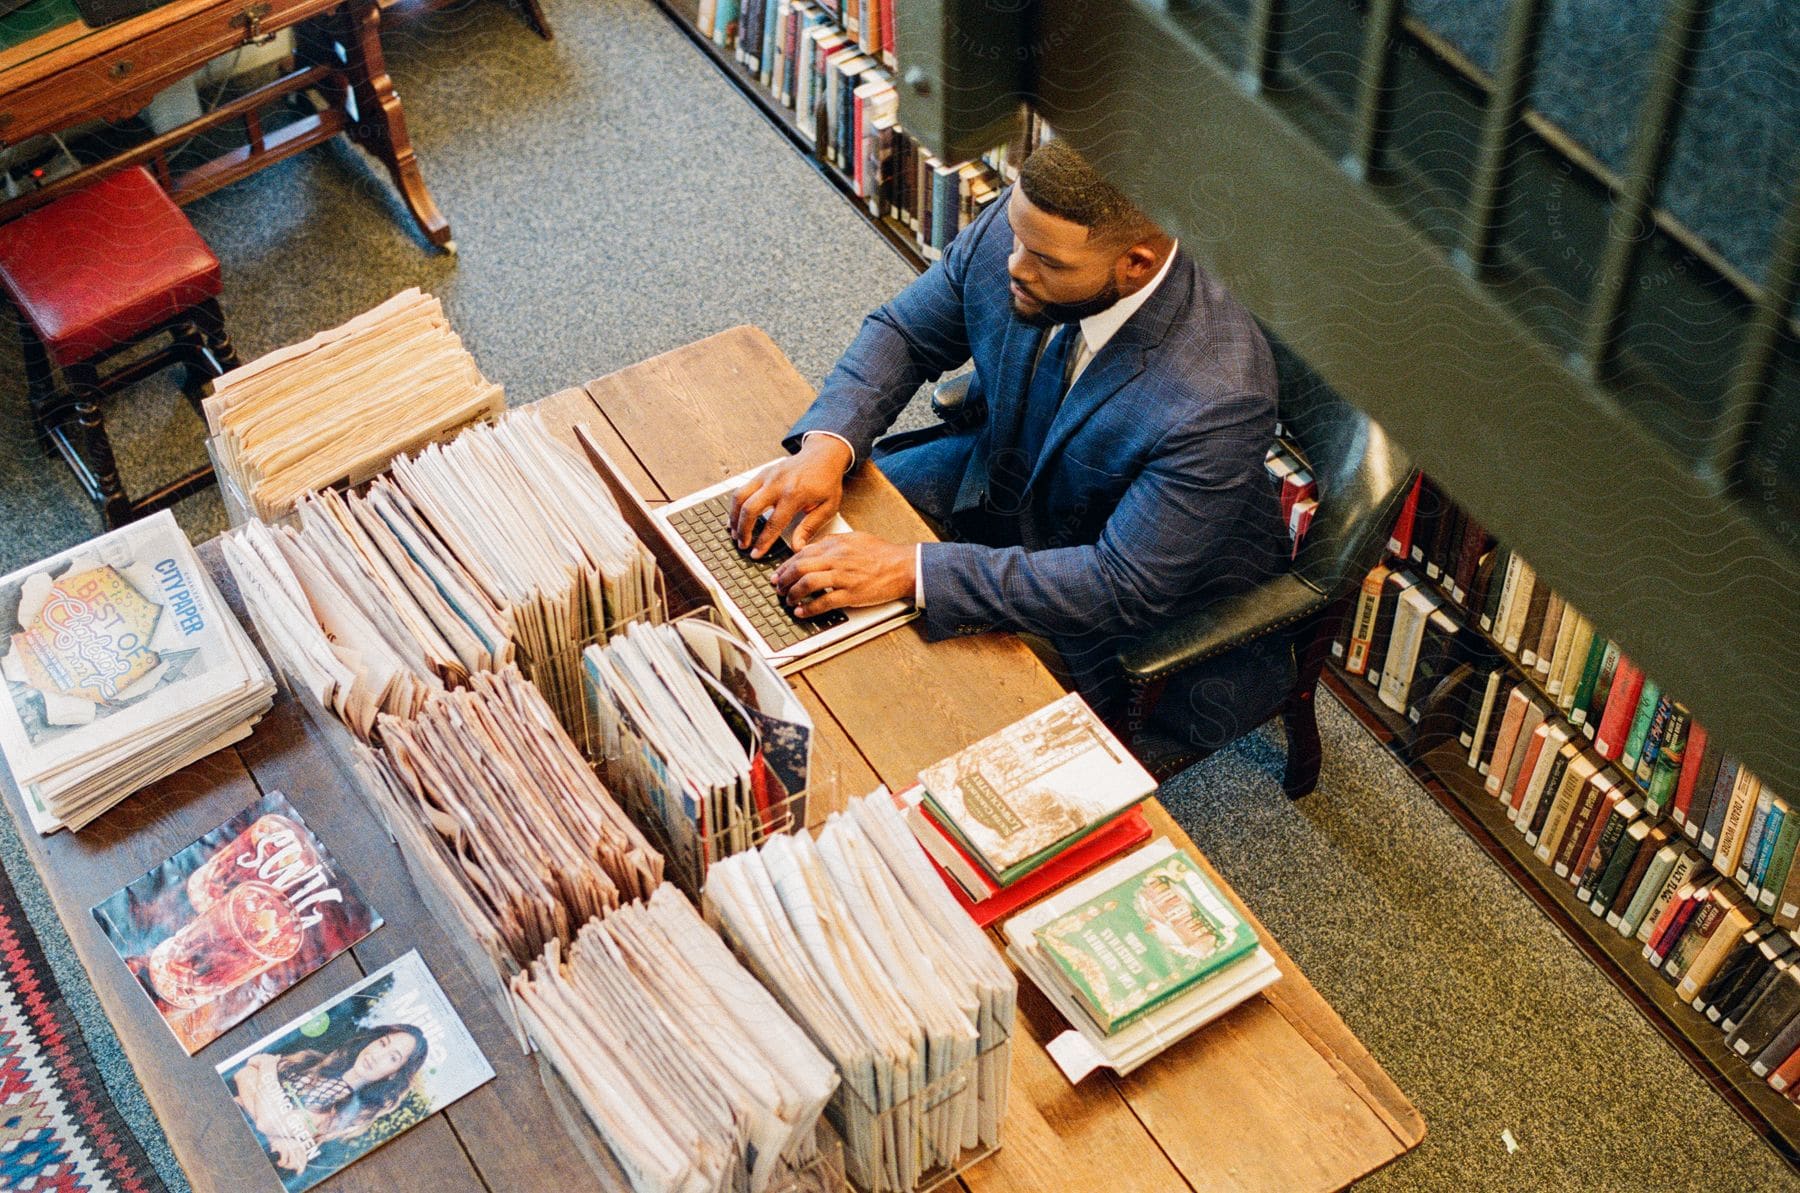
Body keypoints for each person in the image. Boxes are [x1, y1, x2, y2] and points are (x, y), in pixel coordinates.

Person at [731, 139, 1291, 755]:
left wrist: (909, 570)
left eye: (1046, 263)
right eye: (1017, 237)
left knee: (903, 721)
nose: (1015, 267)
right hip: (1000, 476)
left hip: (1111, 594)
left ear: (1135, 264)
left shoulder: (1220, 395)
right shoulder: (1032, 228)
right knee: (778, 554)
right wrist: (825, 447)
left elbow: (1121, 585)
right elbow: (906, 333)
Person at [228, 1023, 429, 1175]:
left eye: (393, 1058)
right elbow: (243, 1073)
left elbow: (266, 1122)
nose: (377, 1056)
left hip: (241, 1158)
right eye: (382, 1043)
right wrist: (277, 1137)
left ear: (394, 1073)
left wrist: (268, 1067)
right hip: (226, 1112)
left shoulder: (347, 1112)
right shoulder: (311, 1059)